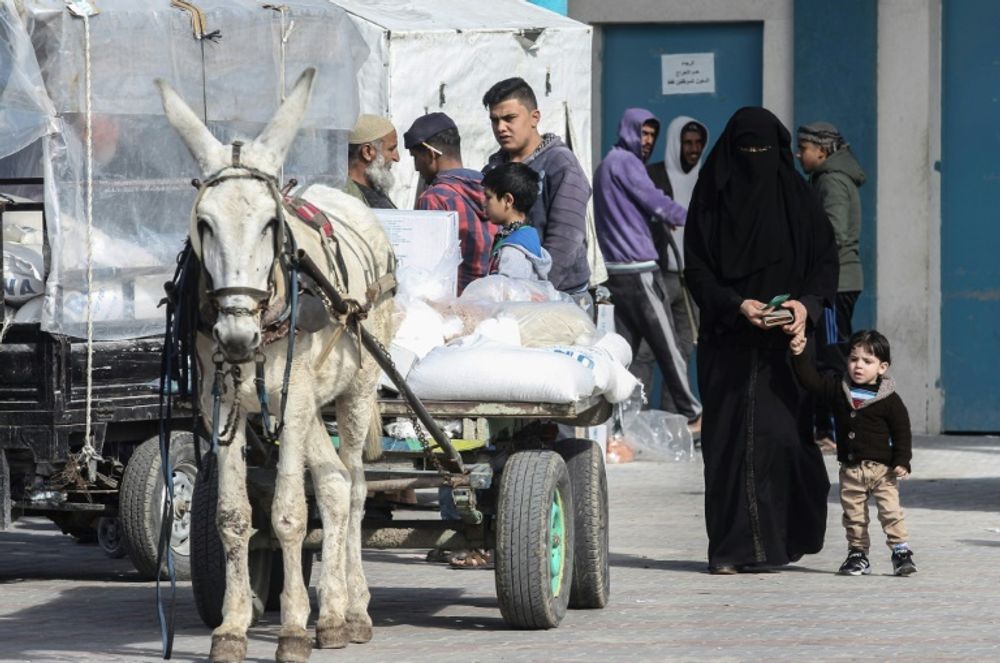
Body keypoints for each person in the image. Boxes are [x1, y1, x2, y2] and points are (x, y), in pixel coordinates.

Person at [683, 107, 839, 574]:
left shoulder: (799, 200)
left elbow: (826, 265)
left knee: (784, 441)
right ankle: (730, 551)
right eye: (746, 151)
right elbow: (697, 269)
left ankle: (779, 541)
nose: (755, 160)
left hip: (785, 346)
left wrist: (805, 307)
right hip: (728, 341)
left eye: (763, 151)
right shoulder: (711, 200)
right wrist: (736, 304)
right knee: (728, 445)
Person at [593, 107, 701, 427]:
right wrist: (695, 222)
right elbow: (656, 201)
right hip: (639, 270)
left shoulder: (606, 165)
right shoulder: (626, 163)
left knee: (624, 353)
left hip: (616, 272)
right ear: (628, 130)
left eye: (652, 134)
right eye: (643, 133)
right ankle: (692, 412)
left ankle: (617, 423)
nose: (648, 140)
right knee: (669, 347)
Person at [789, 329, 917, 576]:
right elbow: (810, 381)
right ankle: (858, 554)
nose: (859, 366)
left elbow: (902, 432)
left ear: (882, 367)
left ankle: (901, 552)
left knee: (890, 513)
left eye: (867, 361)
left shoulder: (890, 399)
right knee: (854, 516)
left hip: (882, 471)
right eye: (853, 359)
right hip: (851, 470)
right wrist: (799, 353)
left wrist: (902, 460)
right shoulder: (839, 389)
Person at [481, 77, 592, 301]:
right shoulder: (495, 168)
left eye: (509, 118)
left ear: (534, 118)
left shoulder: (560, 164)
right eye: (495, 120)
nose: (501, 127)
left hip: (560, 297)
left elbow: (566, 239)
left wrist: (538, 296)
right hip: (511, 295)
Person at [796, 122, 866, 452]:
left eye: (804, 148)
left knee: (834, 358)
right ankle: (824, 429)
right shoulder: (830, 178)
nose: (799, 154)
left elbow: (834, 233)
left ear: (821, 151)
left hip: (836, 286)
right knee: (826, 356)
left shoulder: (831, 181)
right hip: (836, 283)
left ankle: (846, 429)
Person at [404, 112, 496, 294]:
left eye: (415, 157)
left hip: (455, 303)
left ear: (431, 154)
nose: (416, 167)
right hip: (492, 297)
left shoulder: (434, 198)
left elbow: (428, 267)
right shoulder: (492, 188)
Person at [647, 116, 709, 366]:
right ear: (675, 144)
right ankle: (637, 406)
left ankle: (675, 408)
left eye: (698, 143)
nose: (694, 149)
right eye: (687, 142)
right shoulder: (653, 176)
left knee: (683, 349)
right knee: (647, 349)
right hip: (659, 275)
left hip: (692, 280)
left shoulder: (706, 178)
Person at [482, 162, 552, 281]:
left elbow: (509, 294)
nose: (484, 204)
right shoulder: (525, 237)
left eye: (488, 197)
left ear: (508, 200)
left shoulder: (513, 251)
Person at [343, 114, 400, 208]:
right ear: (367, 152)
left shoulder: (374, 191)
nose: (397, 158)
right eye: (391, 149)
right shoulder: (349, 200)